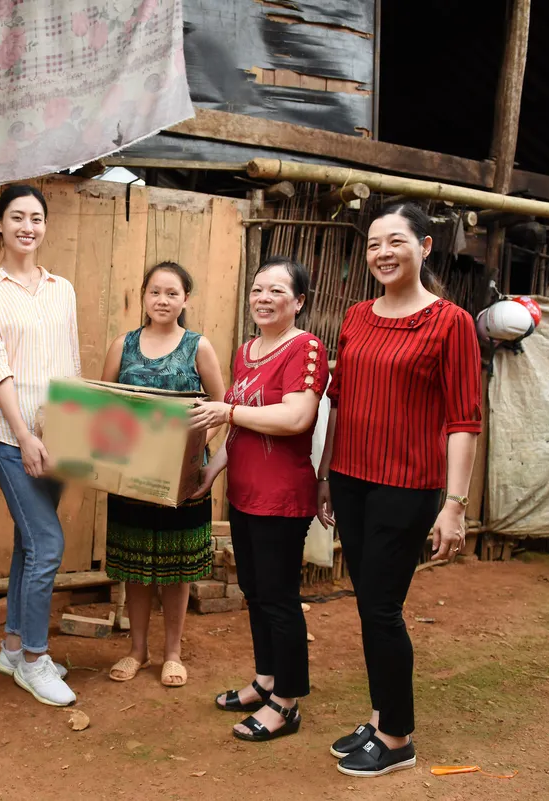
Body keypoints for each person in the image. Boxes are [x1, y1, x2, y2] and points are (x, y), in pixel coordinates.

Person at [316, 201, 481, 777]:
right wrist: (326, 474)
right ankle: (383, 712)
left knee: (382, 608)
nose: (383, 253)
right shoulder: (357, 317)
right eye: (373, 245)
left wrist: (454, 506)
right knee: (369, 604)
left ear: (425, 247)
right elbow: (340, 403)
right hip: (352, 478)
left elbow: (464, 420)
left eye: (396, 242)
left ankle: (396, 737)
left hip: (406, 486)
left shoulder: (451, 322)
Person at [190, 257, 329, 743]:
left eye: (276, 291)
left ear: (299, 301)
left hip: (282, 497)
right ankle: (266, 680)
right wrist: (211, 472)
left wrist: (228, 410)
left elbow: (295, 419)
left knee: (278, 598)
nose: (263, 299)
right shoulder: (246, 351)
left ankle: (287, 703)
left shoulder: (306, 349)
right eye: (257, 290)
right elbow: (237, 424)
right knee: (254, 591)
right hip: (245, 493)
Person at [0, 184, 81, 707]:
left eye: (36, 217)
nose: (27, 226)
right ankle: (36, 659)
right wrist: (26, 436)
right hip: (11, 438)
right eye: (17, 217)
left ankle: (12, 647)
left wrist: (69, 436)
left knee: (32, 544)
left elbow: (70, 364)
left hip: (57, 438)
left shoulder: (62, 288)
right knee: (48, 545)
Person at [100, 262, 226, 689]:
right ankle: (137, 650)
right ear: (144, 295)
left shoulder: (198, 347)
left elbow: (220, 407)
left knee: (176, 567)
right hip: (132, 474)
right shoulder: (124, 345)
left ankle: (172, 653)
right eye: (155, 292)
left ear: (185, 299)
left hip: (181, 477)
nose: (163, 300)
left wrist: (189, 450)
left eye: (172, 293)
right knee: (135, 565)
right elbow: (105, 404)